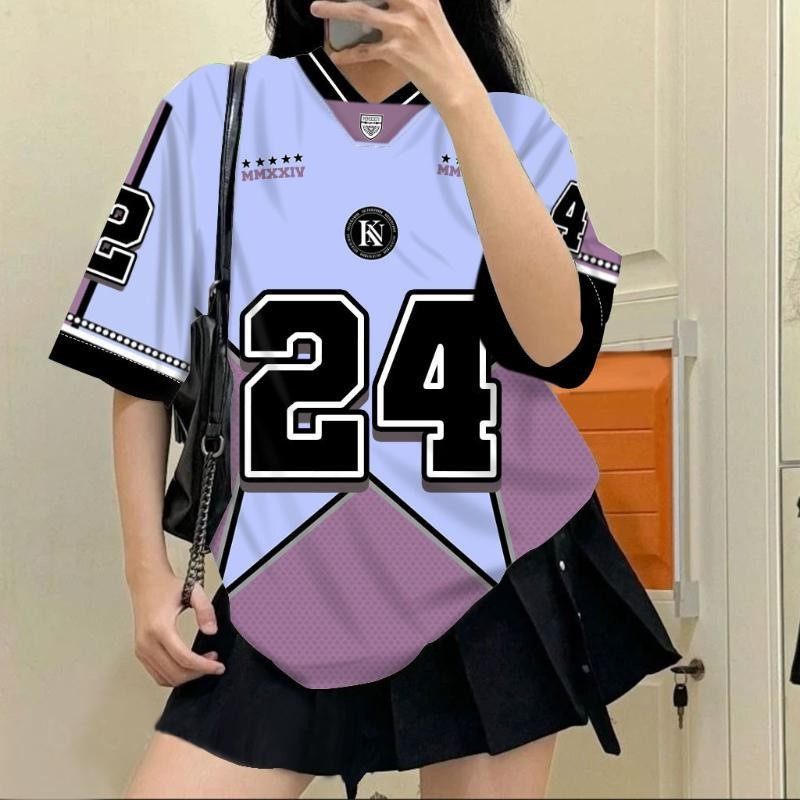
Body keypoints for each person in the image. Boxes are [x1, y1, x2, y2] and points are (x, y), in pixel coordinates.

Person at [47, 1, 682, 797]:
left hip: (496, 565)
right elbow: (139, 359)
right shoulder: (217, 111)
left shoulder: (514, 129)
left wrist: (460, 97)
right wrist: (146, 571)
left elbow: (557, 346)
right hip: (288, 569)